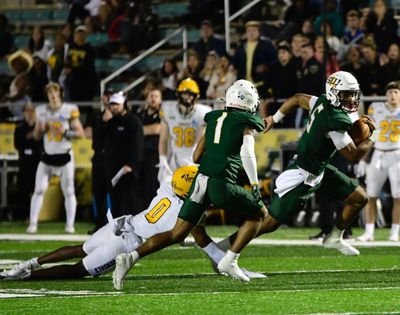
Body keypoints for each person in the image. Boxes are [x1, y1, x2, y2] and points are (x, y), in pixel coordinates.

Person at [113, 79, 268, 289]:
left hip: (199, 181)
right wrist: (255, 183)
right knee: (260, 214)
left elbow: (196, 156)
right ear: (247, 100)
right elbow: (247, 153)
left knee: (177, 233)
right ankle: (230, 260)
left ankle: (130, 258)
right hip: (220, 183)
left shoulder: (214, 118)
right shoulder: (246, 122)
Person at [0, 166, 264, 281]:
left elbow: (187, 174)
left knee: (79, 248)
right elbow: (206, 245)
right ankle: (29, 275)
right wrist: (230, 262)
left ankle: (30, 263)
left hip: (122, 222)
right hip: (127, 242)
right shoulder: (189, 213)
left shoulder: (166, 186)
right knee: (79, 269)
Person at [217, 71, 376, 257]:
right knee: (269, 222)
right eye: (346, 94)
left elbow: (297, 99)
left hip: (320, 170)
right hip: (303, 176)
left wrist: (273, 118)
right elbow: (354, 156)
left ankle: (334, 237)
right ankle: (223, 247)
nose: (351, 99)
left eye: (353, 94)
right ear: (334, 93)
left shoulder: (322, 101)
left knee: (359, 198)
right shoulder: (335, 120)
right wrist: (370, 139)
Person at [26, 82, 84, 234]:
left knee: (69, 191)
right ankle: (33, 223)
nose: (53, 95)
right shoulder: (41, 111)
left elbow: (80, 133)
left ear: (60, 94)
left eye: (55, 92)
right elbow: (36, 136)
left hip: (65, 155)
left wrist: (65, 132)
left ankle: (70, 225)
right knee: (38, 189)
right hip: (48, 155)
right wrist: (38, 130)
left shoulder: (70, 109)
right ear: (47, 94)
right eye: (50, 92)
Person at [356, 81, 400, 242]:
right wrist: (364, 157)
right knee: (371, 195)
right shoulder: (377, 108)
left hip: (397, 155)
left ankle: (395, 232)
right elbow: (374, 134)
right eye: (390, 92)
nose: (392, 95)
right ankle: (369, 232)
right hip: (379, 154)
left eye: (395, 92)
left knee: (398, 196)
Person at [157, 78, 211, 185]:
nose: (188, 97)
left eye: (191, 94)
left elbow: (202, 140)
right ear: (179, 94)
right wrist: (162, 158)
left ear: (196, 96)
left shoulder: (203, 112)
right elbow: (163, 138)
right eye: (185, 94)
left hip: (194, 160)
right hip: (174, 162)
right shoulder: (168, 110)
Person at [104, 92, 145, 217]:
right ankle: (118, 231)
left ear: (124, 105)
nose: (114, 107)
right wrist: (103, 122)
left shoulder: (133, 122)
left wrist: (131, 164)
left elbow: (138, 145)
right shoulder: (110, 122)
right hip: (113, 168)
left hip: (128, 169)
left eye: (117, 104)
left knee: (130, 202)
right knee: (115, 201)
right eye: (112, 104)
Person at [85, 88, 114, 234]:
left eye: (111, 96)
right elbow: (95, 139)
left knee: (112, 192)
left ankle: (111, 223)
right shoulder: (96, 116)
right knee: (98, 191)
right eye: (107, 95)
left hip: (113, 159)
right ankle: (99, 224)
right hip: (98, 157)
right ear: (103, 97)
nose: (109, 98)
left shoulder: (120, 117)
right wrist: (103, 122)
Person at [231, 21, 277, 98]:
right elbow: (235, 61)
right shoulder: (241, 46)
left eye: (254, 30)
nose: (251, 33)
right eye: (249, 31)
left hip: (261, 84)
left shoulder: (266, 45)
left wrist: (266, 67)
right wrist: (232, 66)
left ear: (259, 32)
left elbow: (274, 59)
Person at [13, 104, 42, 220]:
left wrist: (33, 135)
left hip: (36, 161)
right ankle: (24, 214)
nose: (30, 113)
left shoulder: (38, 127)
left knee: (36, 189)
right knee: (24, 189)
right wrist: (29, 138)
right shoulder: (19, 127)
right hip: (25, 162)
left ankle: (36, 215)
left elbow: (40, 143)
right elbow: (18, 144)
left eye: (32, 111)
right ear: (24, 112)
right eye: (27, 111)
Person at [134, 88, 162, 203]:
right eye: (151, 96)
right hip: (140, 157)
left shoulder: (163, 116)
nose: (153, 99)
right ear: (146, 99)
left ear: (160, 100)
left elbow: (156, 129)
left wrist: (137, 131)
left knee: (153, 189)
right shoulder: (139, 115)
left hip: (155, 158)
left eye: (156, 96)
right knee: (140, 190)